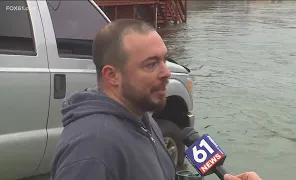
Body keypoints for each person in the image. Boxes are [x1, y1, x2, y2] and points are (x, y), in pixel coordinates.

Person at [50, 19, 263, 180]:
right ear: (112, 75)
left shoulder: (143, 119)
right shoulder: (90, 149)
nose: (166, 72)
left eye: (164, 59)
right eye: (151, 64)